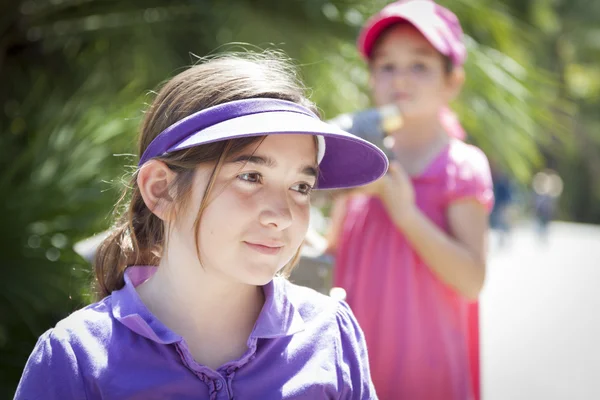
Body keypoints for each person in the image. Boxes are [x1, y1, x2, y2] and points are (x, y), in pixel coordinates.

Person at [15, 52, 388, 399]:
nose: (283, 215)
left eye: (301, 186)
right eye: (251, 176)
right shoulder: (74, 357)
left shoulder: (330, 333)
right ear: (161, 190)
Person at [326, 1, 494, 399]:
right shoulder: (360, 159)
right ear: (371, 78)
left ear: (452, 81)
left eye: (419, 65)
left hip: (427, 375)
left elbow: (471, 280)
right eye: (386, 66)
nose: (400, 78)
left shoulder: (460, 167)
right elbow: (331, 255)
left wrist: (404, 213)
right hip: (357, 370)